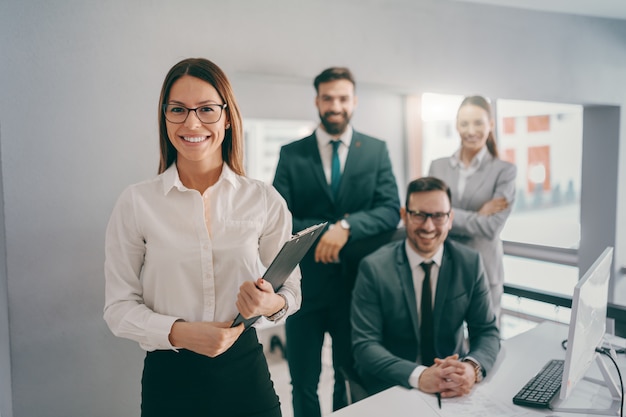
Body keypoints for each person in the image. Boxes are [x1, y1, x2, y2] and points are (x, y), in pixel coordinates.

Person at [103, 57, 301, 417]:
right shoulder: (136, 202)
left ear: (227, 116)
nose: (192, 123)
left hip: (246, 373)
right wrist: (180, 333)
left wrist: (268, 304)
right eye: (178, 109)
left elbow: (292, 293)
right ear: (164, 117)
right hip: (170, 378)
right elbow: (118, 309)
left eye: (207, 109)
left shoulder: (263, 199)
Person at [273, 67, 400, 417]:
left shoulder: (376, 151)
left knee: (350, 377)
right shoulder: (291, 154)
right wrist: (327, 230)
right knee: (303, 382)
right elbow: (278, 218)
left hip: (357, 290)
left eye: (342, 98)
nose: (335, 105)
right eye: (327, 98)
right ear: (317, 101)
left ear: (354, 101)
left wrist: (347, 226)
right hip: (303, 290)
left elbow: (390, 210)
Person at [351, 177, 500, 398]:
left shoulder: (470, 263)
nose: (429, 226)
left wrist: (471, 368)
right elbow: (365, 345)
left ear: (450, 219)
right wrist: (420, 375)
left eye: (439, 216)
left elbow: (486, 330)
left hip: (452, 384)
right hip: (395, 385)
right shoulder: (374, 268)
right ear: (404, 216)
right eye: (419, 215)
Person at [428, 95, 516, 321]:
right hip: (445, 267)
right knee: (445, 348)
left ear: (491, 125)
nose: (471, 130)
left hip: (485, 269)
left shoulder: (504, 171)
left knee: (485, 343)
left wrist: (445, 216)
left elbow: (491, 228)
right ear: (456, 125)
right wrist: (476, 216)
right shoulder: (437, 167)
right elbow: (430, 216)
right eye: (464, 123)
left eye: (478, 123)